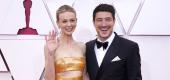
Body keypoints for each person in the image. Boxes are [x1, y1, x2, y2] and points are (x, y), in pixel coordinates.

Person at [86, 4, 142, 80]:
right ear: (93, 22)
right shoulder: (87, 47)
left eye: (108, 19)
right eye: (99, 20)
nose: (104, 24)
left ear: (114, 21)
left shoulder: (130, 47)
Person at [44, 5, 88, 80]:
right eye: (64, 21)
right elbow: (49, 78)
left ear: (76, 21)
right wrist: (51, 53)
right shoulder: (50, 46)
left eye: (72, 20)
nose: (69, 24)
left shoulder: (82, 46)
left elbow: (84, 76)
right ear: (58, 23)